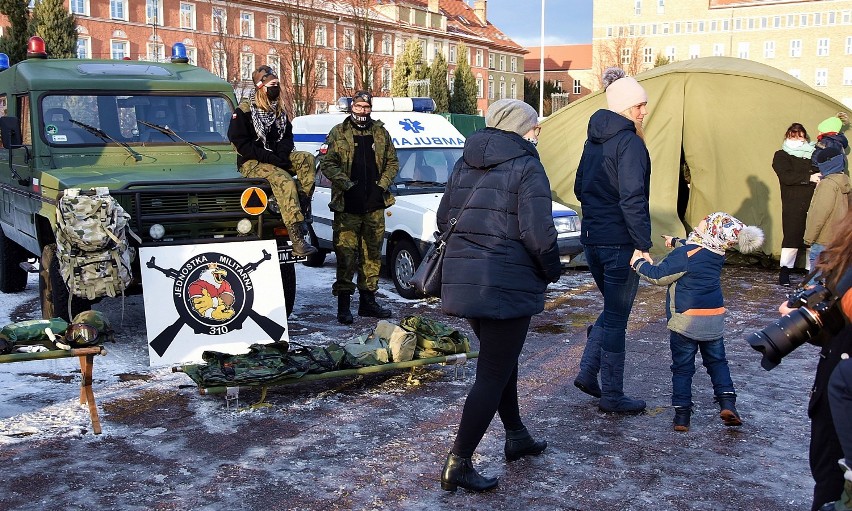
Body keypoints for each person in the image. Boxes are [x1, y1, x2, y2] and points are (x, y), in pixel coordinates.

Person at [437, 98, 561, 492]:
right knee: (492, 373)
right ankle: (459, 460)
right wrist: (552, 269)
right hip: (507, 282)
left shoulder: (464, 161)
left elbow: (444, 219)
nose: (538, 131)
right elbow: (538, 234)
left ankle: (517, 435)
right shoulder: (528, 166)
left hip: (467, 280)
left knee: (498, 361)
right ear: (523, 128)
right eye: (535, 125)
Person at [630, 212, 764, 431]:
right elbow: (696, 247)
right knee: (718, 363)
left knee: (682, 369)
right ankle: (728, 404)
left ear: (710, 229)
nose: (701, 220)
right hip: (713, 319)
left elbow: (658, 276)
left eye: (707, 220)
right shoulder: (717, 252)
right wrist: (674, 241)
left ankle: (682, 416)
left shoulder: (685, 254)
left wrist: (637, 264)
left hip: (686, 321)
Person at [572, 67, 652, 414]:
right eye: (638, 106)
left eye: (644, 105)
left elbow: (579, 187)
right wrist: (643, 244)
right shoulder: (630, 142)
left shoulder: (593, 141)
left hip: (592, 239)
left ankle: (589, 373)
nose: (643, 112)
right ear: (624, 108)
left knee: (613, 310)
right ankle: (612, 395)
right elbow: (632, 197)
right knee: (618, 317)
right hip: (620, 242)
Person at [779, 207, 852, 511]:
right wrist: (809, 319)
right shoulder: (843, 263)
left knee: (834, 483)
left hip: (842, 392)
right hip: (835, 375)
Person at [320, 90, 399, 324]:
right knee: (345, 256)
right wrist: (347, 185)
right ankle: (344, 306)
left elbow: (393, 162)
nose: (362, 111)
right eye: (358, 107)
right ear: (351, 107)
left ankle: (368, 302)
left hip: (374, 204)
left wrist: (381, 185)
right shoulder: (339, 132)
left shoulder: (380, 132)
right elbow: (327, 163)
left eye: (366, 107)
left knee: (371, 256)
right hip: (347, 205)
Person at [227, 65, 317, 257]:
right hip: (252, 162)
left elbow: (287, 137)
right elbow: (240, 143)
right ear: (261, 87)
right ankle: (297, 240)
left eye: (278, 84)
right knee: (284, 179)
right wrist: (269, 157)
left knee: (307, 159)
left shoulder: (278, 111)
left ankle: (300, 207)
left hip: (276, 156)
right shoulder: (244, 111)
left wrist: (282, 155)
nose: (276, 88)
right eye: (272, 85)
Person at [771, 123, 818, 286]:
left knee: (812, 236)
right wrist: (808, 177)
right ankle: (785, 272)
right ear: (787, 136)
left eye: (800, 135)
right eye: (793, 135)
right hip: (793, 202)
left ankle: (809, 272)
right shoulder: (781, 155)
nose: (797, 139)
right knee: (792, 236)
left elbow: (818, 171)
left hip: (813, 201)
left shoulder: (813, 154)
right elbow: (786, 177)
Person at [803, 145, 850, 274]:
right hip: (839, 240)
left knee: (815, 278)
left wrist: (809, 238)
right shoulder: (845, 183)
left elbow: (819, 213)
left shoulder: (827, 185)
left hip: (823, 240)